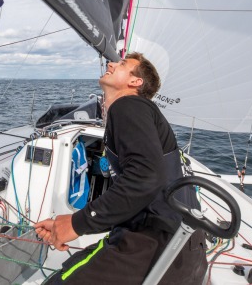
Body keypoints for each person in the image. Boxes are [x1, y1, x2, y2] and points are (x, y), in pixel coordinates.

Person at [35, 52, 208, 284]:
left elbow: (146, 177)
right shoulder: (141, 113)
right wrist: (63, 225)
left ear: (135, 82)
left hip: (156, 244)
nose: (111, 63)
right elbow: (140, 197)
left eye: (122, 64)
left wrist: (77, 223)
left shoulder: (128, 105)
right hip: (183, 253)